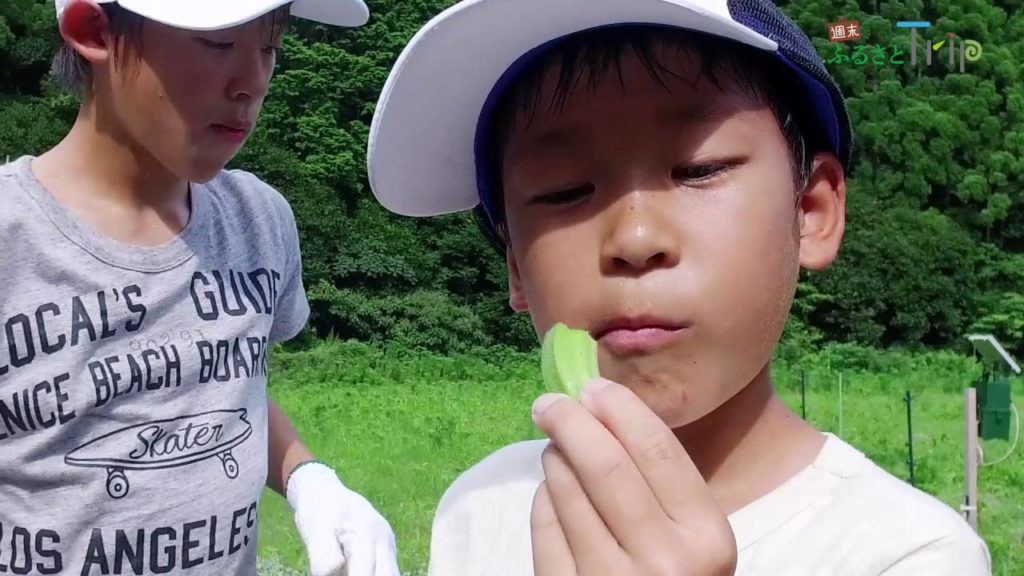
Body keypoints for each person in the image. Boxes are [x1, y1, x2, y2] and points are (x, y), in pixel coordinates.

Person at [366, 0, 992, 574]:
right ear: (515, 268)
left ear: (811, 209)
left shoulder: (909, 553)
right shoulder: (477, 510)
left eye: (699, 169)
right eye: (563, 191)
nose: (634, 238)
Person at [0, 1, 399, 575]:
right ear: (94, 30)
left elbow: (229, 387)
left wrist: (310, 480)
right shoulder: (14, 237)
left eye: (269, 45)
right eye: (218, 43)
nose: (253, 82)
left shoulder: (258, 222)